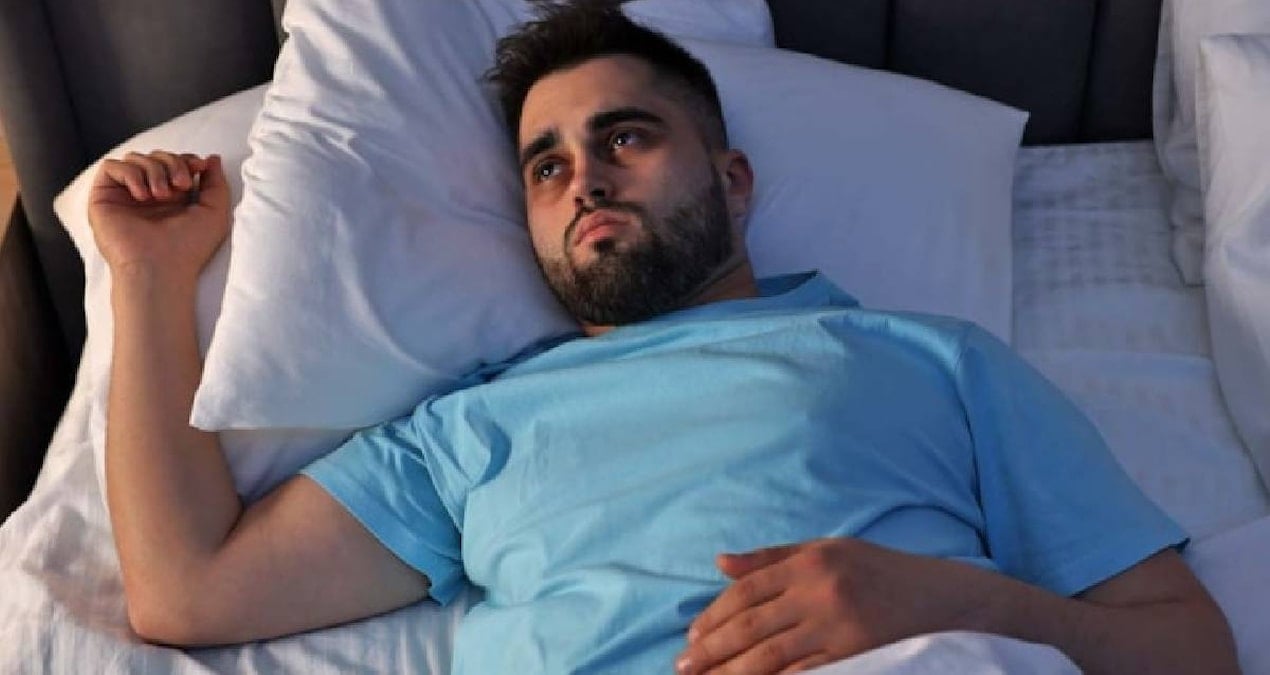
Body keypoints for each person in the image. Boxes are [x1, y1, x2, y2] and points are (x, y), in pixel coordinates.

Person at [88, 2, 1238, 673]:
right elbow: (187, 593)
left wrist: (953, 603)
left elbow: (1188, 649)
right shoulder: (464, 430)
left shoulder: (933, 359)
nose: (583, 178)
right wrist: (148, 281)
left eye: (626, 138)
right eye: (545, 167)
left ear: (732, 181)